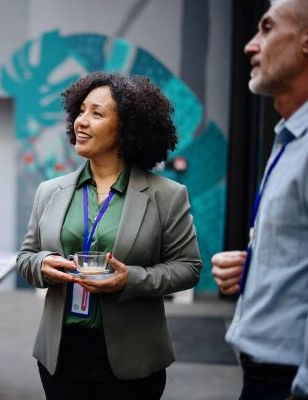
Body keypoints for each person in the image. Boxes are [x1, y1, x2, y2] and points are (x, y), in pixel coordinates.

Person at [17, 72, 202, 399]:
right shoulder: (49, 191)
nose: (81, 121)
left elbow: (188, 268)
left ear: (126, 129)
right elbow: (25, 257)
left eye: (97, 113)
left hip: (133, 358)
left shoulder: (167, 195)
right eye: (81, 111)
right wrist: (43, 264)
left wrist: (130, 279)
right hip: (61, 356)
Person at [211, 0, 308, 399]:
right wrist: (257, 267)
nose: (251, 45)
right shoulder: (289, 138)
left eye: (267, 28)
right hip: (263, 374)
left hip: (288, 383)